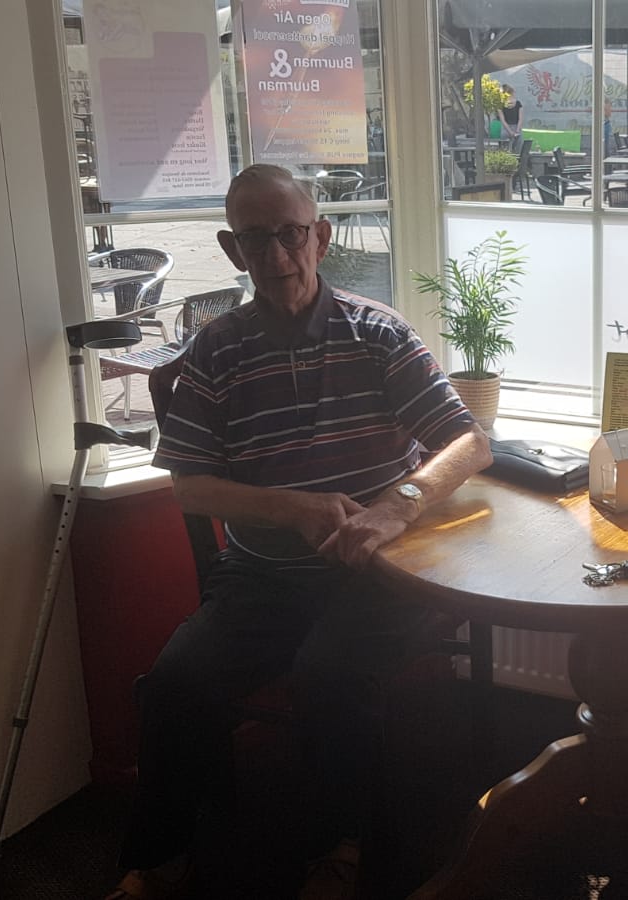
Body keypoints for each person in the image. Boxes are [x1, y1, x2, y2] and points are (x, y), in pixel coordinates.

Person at [107, 164, 492, 900]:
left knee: (329, 672)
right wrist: (292, 508)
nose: (277, 256)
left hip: (377, 570)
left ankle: (338, 847)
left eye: (291, 234)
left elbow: (470, 442)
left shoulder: (378, 333)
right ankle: (160, 857)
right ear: (232, 250)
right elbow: (190, 487)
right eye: (256, 240)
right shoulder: (217, 350)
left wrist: (396, 506)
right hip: (263, 576)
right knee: (176, 683)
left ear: (321, 237)